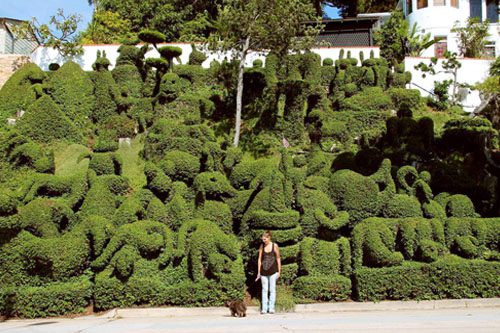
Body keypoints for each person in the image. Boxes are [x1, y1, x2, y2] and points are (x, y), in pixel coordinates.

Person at [256, 230, 281, 314]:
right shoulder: (261, 246)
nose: (264, 241)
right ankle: (264, 308)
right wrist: (259, 272)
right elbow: (259, 259)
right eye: (263, 239)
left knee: (272, 290)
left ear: (269, 238)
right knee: (264, 290)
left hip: (273, 272)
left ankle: (271, 308)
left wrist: (279, 271)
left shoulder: (274, 246)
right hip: (263, 272)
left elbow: (278, 258)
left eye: (265, 239)